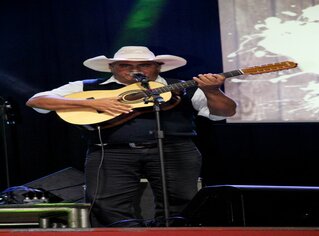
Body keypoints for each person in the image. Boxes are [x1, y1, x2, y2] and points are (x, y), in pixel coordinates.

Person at [26, 46, 237, 227]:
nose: (134, 70)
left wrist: (213, 91)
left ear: (158, 66)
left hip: (174, 149)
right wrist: (90, 103)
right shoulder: (88, 86)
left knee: (181, 204)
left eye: (144, 65)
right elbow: (37, 101)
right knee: (106, 206)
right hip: (111, 151)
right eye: (125, 65)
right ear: (112, 67)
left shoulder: (181, 86)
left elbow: (225, 113)